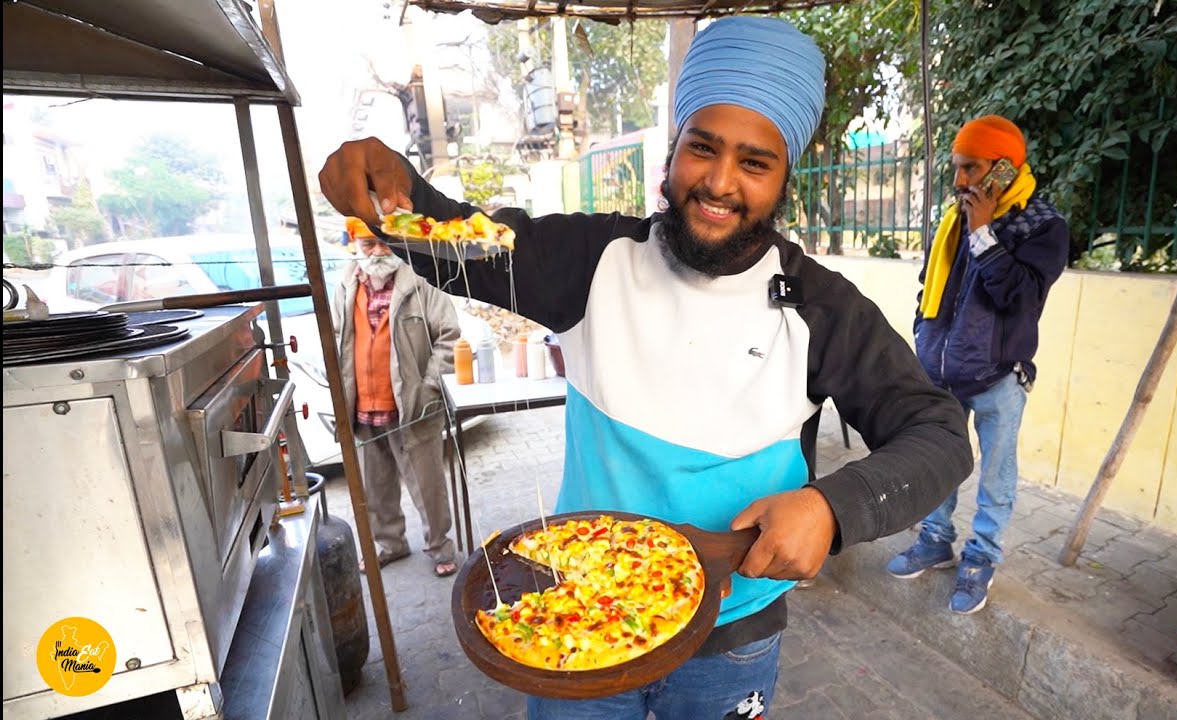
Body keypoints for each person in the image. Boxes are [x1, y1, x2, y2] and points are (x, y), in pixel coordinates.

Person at [320, 17, 973, 719]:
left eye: (754, 163)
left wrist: (830, 507)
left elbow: (938, 434)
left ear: (786, 177)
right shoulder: (593, 260)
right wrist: (393, 192)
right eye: (702, 148)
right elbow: (459, 239)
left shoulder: (823, 309)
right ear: (674, 150)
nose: (719, 183)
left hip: (734, 632)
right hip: (573, 612)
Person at [887, 115, 1070, 614]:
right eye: (956, 167)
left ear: (1003, 170)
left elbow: (1020, 297)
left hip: (996, 377)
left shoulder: (1043, 226)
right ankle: (935, 539)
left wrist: (984, 231)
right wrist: (924, 334)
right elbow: (932, 284)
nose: (959, 180)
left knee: (996, 473)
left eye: (970, 167)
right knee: (939, 459)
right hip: (942, 371)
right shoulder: (955, 217)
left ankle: (981, 556)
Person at [334, 216, 462, 578]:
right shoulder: (345, 283)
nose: (376, 252)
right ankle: (391, 544)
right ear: (356, 246)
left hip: (412, 407)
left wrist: (429, 387)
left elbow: (450, 337)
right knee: (375, 488)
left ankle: (440, 547)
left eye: (383, 243)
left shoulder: (421, 281)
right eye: (368, 244)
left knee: (427, 484)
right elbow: (335, 340)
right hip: (363, 405)